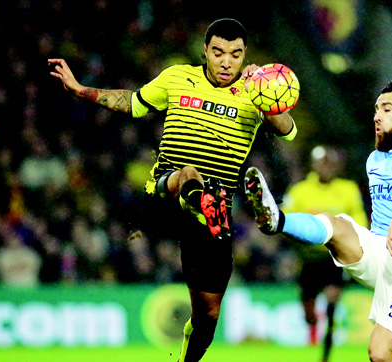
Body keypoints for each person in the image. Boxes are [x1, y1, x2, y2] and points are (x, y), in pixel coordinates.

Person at [49, 18, 297, 362]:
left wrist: (264, 92)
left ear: (244, 56)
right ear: (205, 52)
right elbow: (132, 103)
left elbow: (287, 130)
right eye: (219, 52)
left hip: (214, 216)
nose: (227, 61)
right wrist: (81, 90)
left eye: (236, 54)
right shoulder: (178, 76)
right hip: (164, 193)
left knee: (208, 315)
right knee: (189, 174)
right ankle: (196, 198)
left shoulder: (254, 91)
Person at [245, 81, 392, 362]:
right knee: (337, 225)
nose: (377, 115)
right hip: (380, 251)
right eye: (376, 109)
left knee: (380, 354)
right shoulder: (375, 159)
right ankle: (277, 220)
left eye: (387, 109)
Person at [281, 145, 368, 361]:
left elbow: (359, 219)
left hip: (334, 257)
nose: (325, 166)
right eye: (322, 162)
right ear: (313, 165)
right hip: (308, 258)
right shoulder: (299, 191)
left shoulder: (348, 189)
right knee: (309, 309)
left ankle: (326, 349)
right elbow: (285, 220)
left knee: (332, 298)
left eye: (329, 162)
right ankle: (312, 324)